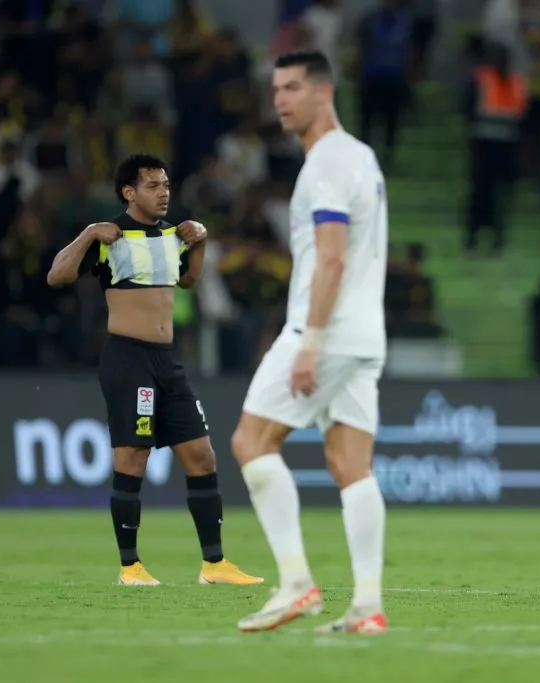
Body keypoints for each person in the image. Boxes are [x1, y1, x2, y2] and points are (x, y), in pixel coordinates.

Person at [46, 154, 263, 587]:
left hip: (168, 362)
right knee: (134, 457)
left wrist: (199, 243)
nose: (164, 192)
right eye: (152, 185)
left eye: (165, 184)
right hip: (129, 359)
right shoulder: (110, 236)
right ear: (129, 192)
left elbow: (187, 282)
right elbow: (58, 276)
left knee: (202, 457)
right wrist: (88, 234)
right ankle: (131, 567)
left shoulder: (172, 235)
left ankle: (215, 565)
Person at [230, 51, 389, 635]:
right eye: (275, 89)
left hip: (328, 332)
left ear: (325, 92)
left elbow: (332, 255)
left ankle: (296, 583)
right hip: (365, 333)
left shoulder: (324, 163)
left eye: (292, 88)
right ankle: (368, 605)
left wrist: (310, 342)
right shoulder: (361, 157)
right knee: (350, 463)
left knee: (252, 440)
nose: (280, 100)